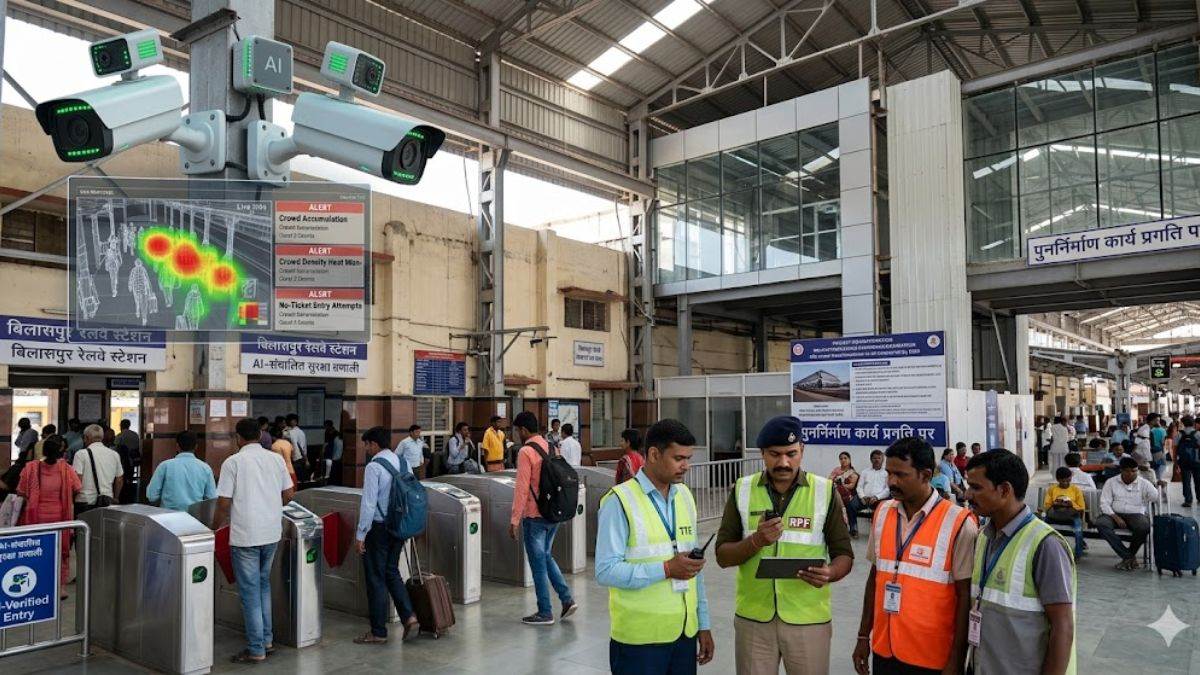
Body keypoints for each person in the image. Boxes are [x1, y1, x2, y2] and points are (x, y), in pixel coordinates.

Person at [716, 416, 854, 675]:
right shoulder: (741, 490)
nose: (783, 462)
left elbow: (844, 554)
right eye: (774, 454)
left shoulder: (825, 491)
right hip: (754, 619)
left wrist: (831, 573)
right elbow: (722, 555)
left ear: (802, 450)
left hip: (808, 619)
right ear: (762, 454)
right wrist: (756, 541)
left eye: (791, 453)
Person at [596, 418, 714, 673]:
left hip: (684, 633)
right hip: (640, 641)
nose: (686, 466)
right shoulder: (619, 502)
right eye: (679, 458)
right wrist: (667, 569)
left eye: (689, 458)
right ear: (653, 454)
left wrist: (702, 622)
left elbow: (693, 570)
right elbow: (605, 571)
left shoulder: (684, 495)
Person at [853, 437, 976, 675]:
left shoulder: (958, 522)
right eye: (889, 473)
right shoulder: (882, 513)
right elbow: (875, 578)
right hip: (884, 648)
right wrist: (862, 636)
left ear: (926, 475)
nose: (891, 482)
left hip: (932, 657)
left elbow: (965, 596)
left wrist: (956, 659)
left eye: (900, 475)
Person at [964, 449, 1075, 675]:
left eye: (976, 487)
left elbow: (1062, 626)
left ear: (1004, 490)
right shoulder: (984, 536)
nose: (967, 495)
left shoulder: (1045, 545)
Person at [213, 418, 295, 663]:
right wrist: (269, 507)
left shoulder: (233, 462)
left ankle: (256, 648)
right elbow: (289, 494)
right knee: (263, 586)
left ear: (238, 438)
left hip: (246, 536)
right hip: (271, 533)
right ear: (259, 436)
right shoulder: (275, 459)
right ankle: (267, 640)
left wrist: (212, 528)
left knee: (250, 593)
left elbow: (224, 503)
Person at [507, 411, 576, 625]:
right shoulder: (551, 446)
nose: (517, 434)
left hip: (534, 516)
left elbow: (521, 488)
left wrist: (514, 519)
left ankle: (545, 612)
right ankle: (566, 599)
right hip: (552, 513)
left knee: (538, 564)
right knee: (546, 556)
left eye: (518, 430)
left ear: (524, 430)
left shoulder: (526, 451)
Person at [353, 426, 420, 644]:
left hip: (379, 528)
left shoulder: (374, 467)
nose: (366, 448)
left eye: (367, 444)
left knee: (376, 577)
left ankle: (378, 631)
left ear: (374, 444)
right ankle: (409, 616)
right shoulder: (403, 462)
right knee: (392, 571)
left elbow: (369, 503)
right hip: (399, 526)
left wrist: (361, 533)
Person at [16, 437, 81, 592]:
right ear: (61, 452)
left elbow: (21, 491)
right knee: (60, 552)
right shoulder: (66, 469)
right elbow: (77, 488)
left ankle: (38, 583)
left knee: (37, 550)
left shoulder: (30, 468)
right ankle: (61, 587)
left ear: (43, 451)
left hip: (36, 519)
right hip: (60, 519)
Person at [1095, 457, 1157, 571]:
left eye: (1134, 471)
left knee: (1143, 526)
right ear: (1121, 471)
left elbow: (1155, 497)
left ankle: (1128, 557)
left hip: (1136, 514)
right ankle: (1128, 556)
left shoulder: (1143, 483)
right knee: (1101, 523)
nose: (1132, 474)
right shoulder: (1111, 482)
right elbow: (1104, 503)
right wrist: (1115, 517)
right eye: (1128, 471)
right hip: (1113, 514)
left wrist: (1155, 486)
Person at [145, 430, 217, 511]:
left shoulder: (165, 466)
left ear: (177, 446)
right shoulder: (205, 468)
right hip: (194, 518)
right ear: (196, 446)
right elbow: (211, 498)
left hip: (168, 518)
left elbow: (151, 496)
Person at [72, 424, 123, 516]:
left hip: (85, 501)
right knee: (103, 529)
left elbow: (77, 480)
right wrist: (116, 497)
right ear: (102, 438)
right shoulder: (114, 454)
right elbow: (119, 479)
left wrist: (72, 497)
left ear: (86, 438)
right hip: (107, 501)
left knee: (84, 529)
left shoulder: (81, 454)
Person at [1040, 467, 1086, 559]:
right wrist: (1055, 504)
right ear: (1058, 480)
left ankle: (1078, 554)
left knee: (1078, 530)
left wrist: (1071, 504)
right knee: (1041, 525)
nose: (1065, 483)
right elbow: (1047, 505)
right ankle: (1040, 549)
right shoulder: (1052, 489)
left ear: (1070, 479)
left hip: (1071, 516)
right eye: (1063, 481)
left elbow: (1081, 507)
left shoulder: (1076, 490)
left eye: (1068, 481)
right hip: (1055, 515)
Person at [829, 452, 861, 537]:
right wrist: (835, 481)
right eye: (841, 458)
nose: (843, 460)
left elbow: (851, 486)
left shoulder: (852, 473)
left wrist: (841, 484)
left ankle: (852, 528)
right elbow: (829, 480)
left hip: (847, 495)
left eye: (845, 458)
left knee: (849, 505)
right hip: (836, 493)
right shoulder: (836, 470)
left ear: (849, 460)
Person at [1175, 415, 1199, 508]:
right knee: (1198, 481)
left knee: (1186, 481)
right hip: (1197, 461)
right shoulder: (1198, 434)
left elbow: (1175, 450)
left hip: (1183, 461)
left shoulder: (1178, 435)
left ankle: (1188, 501)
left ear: (1183, 423)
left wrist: (1175, 463)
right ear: (1193, 423)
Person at [269, 422, 298, 487]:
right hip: (291, 471)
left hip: (281, 474)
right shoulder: (288, 444)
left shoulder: (273, 446)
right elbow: (293, 456)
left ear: (273, 437)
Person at [285, 413, 308, 479]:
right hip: (294, 456)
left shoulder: (298, 432)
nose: (291, 422)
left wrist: (306, 459)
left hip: (297, 457)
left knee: (295, 475)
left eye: (293, 420)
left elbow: (302, 446)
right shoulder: (288, 431)